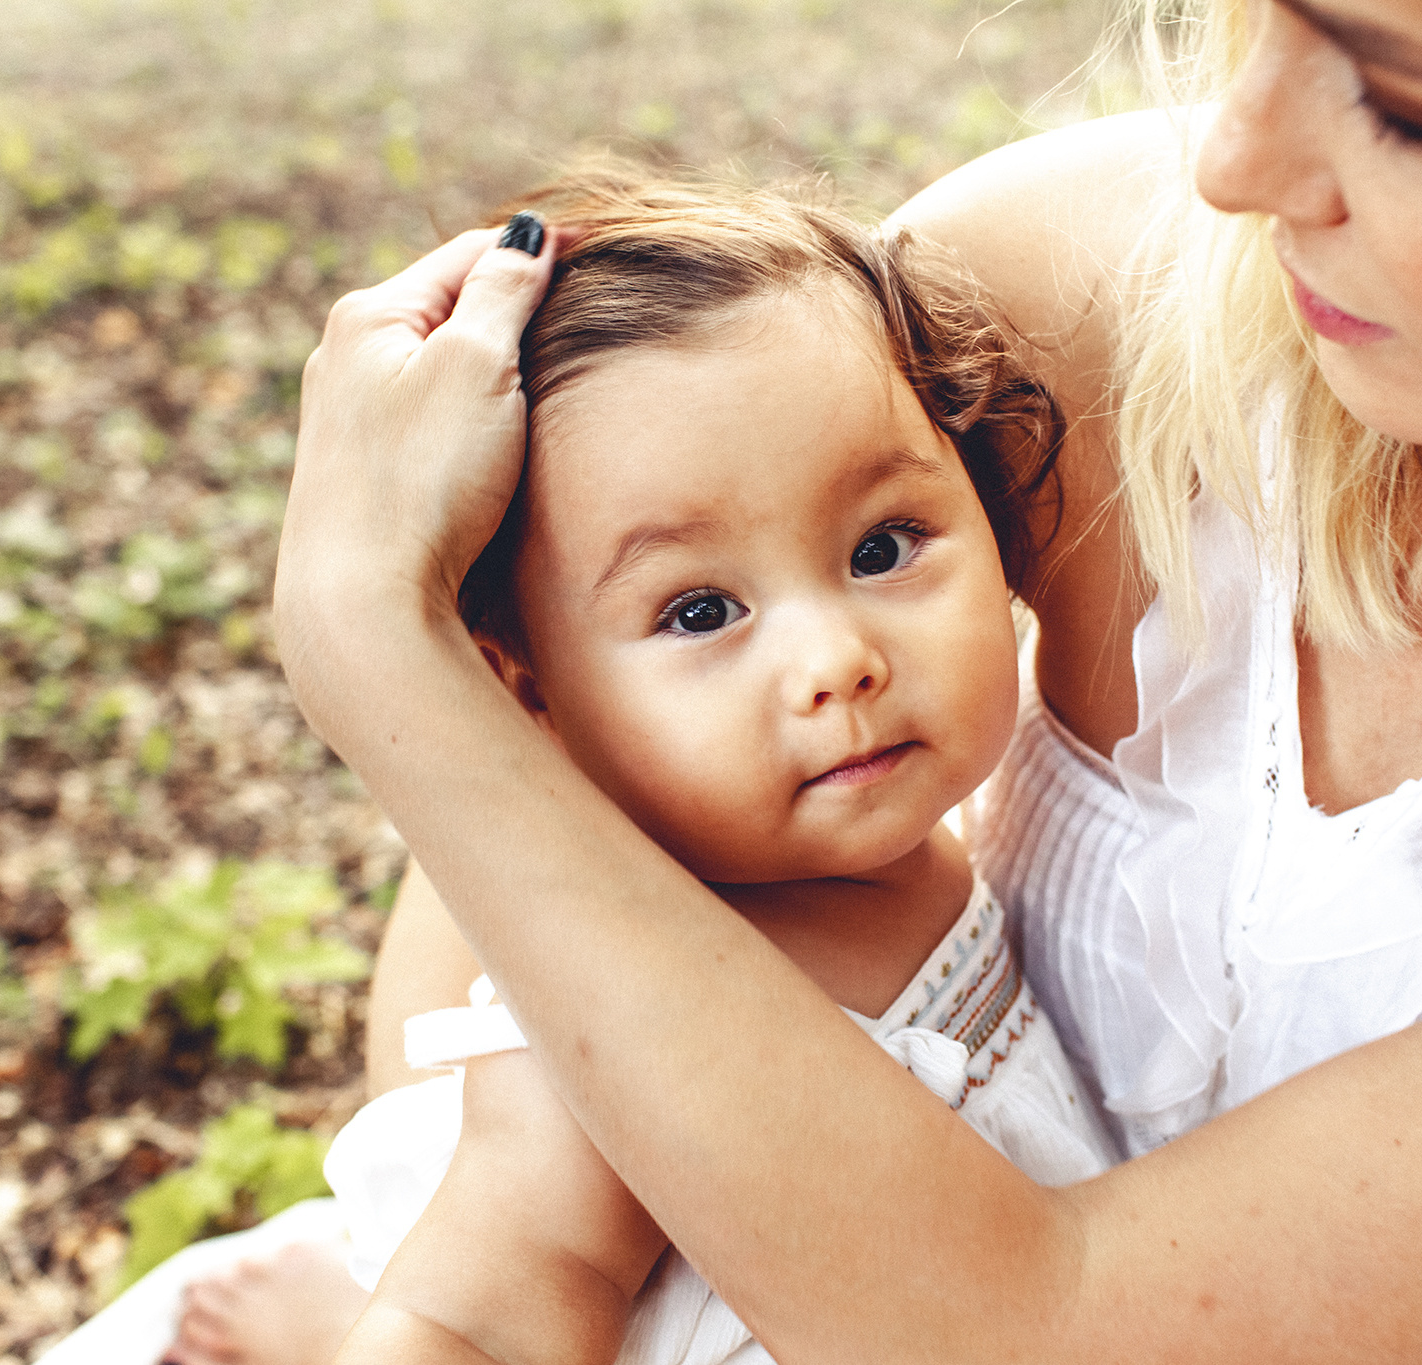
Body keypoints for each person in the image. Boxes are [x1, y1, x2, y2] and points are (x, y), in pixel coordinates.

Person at [272, 0, 1422, 1360]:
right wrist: (480, 1222)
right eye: (1264, 18)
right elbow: (550, 749)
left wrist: (375, 650)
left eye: (1410, 106)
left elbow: (1031, 1329)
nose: (1231, 159)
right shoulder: (1071, 296)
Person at [307, 164, 1118, 1363]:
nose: (835, 662)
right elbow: (468, 1320)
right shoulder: (618, 1008)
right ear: (527, 696)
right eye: (698, 613)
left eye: (882, 547)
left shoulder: (932, 844)